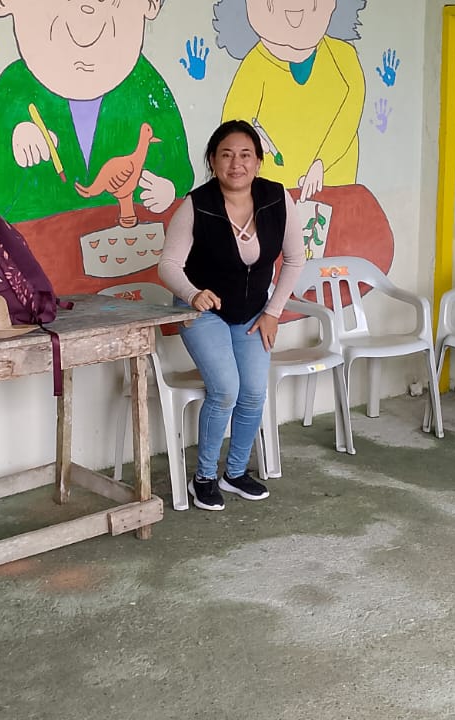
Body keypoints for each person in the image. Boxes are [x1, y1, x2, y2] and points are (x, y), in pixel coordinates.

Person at [157, 120, 306, 511]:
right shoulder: (197, 204)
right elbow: (168, 265)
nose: (236, 164)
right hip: (202, 309)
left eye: (245, 155)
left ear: (258, 161)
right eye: (226, 155)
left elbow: (295, 259)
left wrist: (273, 312)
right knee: (226, 389)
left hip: (254, 310)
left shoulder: (276, 199)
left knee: (254, 391)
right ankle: (204, 478)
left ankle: (235, 473)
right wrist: (192, 293)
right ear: (212, 160)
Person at [0, 0, 193, 224]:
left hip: (126, 241)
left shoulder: (146, 86)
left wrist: (170, 189)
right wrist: (11, 149)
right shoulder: (13, 90)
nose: (87, 8)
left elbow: (180, 169)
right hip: (38, 243)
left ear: (151, 4)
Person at [215, 0, 368, 200]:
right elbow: (231, 127)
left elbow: (349, 116)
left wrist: (321, 162)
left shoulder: (343, 57)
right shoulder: (255, 64)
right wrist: (252, 138)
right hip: (272, 193)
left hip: (334, 184)